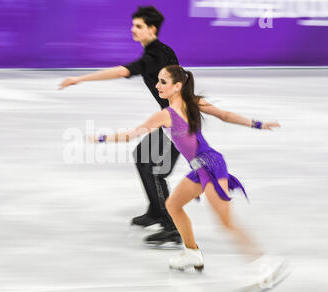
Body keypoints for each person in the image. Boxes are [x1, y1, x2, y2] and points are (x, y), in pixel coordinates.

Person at [88, 65, 281, 272]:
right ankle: (192, 253)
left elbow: (131, 134)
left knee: (226, 222)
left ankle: (263, 262)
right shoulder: (193, 103)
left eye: (163, 82)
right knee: (173, 205)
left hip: (210, 165)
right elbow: (224, 114)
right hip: (201, 167)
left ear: (177, 86)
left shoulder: (166, 114)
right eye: (158, 81)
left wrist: (101, 138)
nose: (157, 85)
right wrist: (257, 124)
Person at [60, 6, 184, 248]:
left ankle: (172, 227)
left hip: (179, 123)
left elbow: (121, 71)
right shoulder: (162, 50)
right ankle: (156, 211)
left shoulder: (153, 57)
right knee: (142, 156)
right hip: (172, 117)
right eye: (133, 25)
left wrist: (79, 79)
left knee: (155, 170)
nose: (133, 30)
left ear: (152, 29)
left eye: (138, 26)